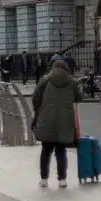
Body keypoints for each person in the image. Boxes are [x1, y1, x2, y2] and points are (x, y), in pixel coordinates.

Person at [32, 55, 83, 188]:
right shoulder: (72, 81)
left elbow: (35, 97)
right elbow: (79, 98)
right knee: (61, 151)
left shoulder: (45, 79)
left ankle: (44, 179)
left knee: (45, 150)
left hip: (47, 119)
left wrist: (39, 109)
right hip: (65, 122)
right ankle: (62, 179)